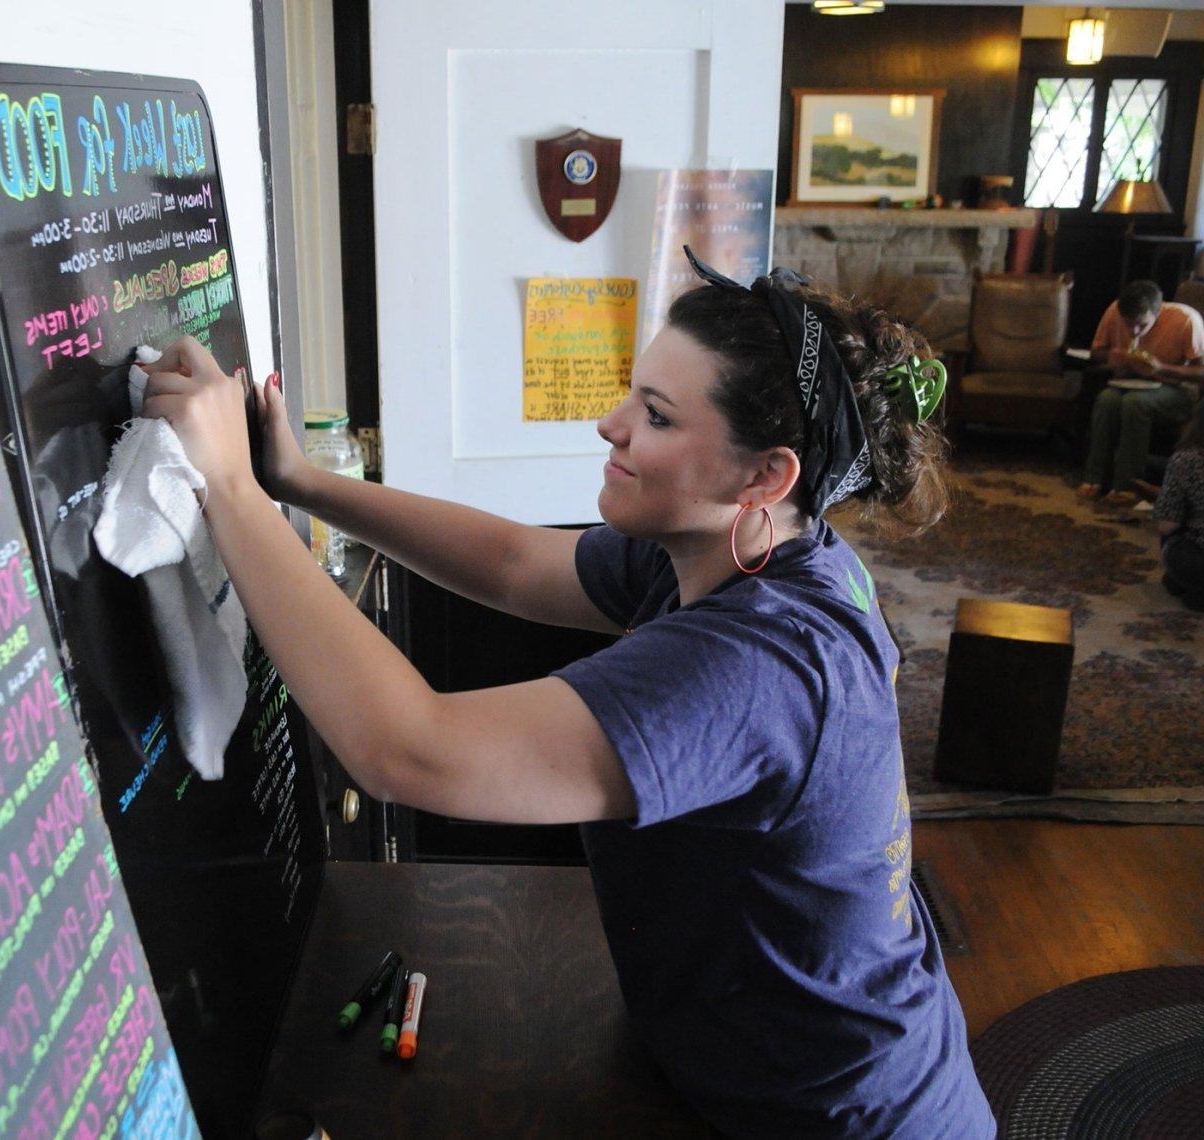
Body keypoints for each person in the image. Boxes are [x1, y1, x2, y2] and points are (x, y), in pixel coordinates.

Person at [141, 254, 995, 1137]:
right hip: (740, 1061)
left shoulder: (758, 667)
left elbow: (409, 751)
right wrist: (300, 481)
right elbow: (517, 564)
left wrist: (230, 489)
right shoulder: (750, 546)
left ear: (765, 478)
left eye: (656, 416)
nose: (608, 424)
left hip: (837, 1116)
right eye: (633, 392)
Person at [1077, 279, 1204, 505]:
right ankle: (1095, 478)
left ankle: (1127, 485)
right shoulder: (1114, 311)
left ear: (1158, 311)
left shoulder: (1185, 319)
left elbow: (1201, 371)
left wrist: (1161, 368)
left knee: (1135, 403)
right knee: (1106, 399)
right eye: (1128, 324)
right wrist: (1110, 357)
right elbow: (1096, 351)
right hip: (1128, 382)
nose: (1134, 331)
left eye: (1142, 325)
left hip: (1176, 390)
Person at [1156, 399, 1204, 609]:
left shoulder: (1186, 459)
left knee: (1172, 529)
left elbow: (1167, 524)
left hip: (1197, 560)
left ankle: (1185, 581)